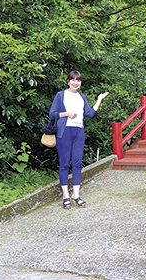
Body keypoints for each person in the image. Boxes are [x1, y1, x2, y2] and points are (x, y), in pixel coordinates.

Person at [49, 71, 109, 209]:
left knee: (77, 163)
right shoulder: (61, 95)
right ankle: (66, 196)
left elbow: (90, 113)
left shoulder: (82, 97)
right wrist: (67, 114)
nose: (76, 82)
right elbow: (52, 114)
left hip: (79, 132)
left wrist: (99, 99)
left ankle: (76, 195)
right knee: (64, 164)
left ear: (81, 82)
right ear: (68, 81)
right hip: (64, 132)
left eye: (79, 80)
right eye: (73, 80)